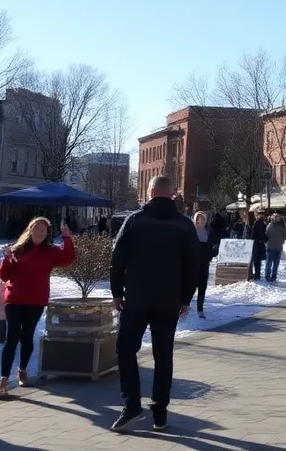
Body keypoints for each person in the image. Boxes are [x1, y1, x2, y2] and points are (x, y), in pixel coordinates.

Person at [110, 176, 201, 432]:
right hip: (168, 300)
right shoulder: (184, 225)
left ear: (150, 192)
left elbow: (118, 258)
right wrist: (185, 298)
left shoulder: (135, 220)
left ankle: (132, 404)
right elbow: (193, 265)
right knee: (163, 354)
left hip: (136, 298)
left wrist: (117, 292)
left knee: (126, 349)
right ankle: (160, 410)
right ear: (173, 194)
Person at [0, 217, 76, 398]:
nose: (41, 233)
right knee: (11, 337)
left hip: (36, 300)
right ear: (30, 230)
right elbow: (4, 276)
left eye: (44, 231)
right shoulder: (17, 250)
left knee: (27, 335)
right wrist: (6, 259)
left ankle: (22, 369)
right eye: (38, 229)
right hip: (14, 299)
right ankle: (3, 380)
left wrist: (67, 238)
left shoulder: (49, 251)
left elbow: (68, 259)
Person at [193, 212, 217, 317]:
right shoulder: (192, 231)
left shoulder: (208, 232)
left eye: (203, 218)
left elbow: (210, 247)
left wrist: (213, 251)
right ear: (196, 220)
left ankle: (200, 308)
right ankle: (184, 306)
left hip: (205, 262)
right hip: (194, 263)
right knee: (191, 286)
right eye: (200, 218)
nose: (202, 220)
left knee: (203, 285)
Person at [264, 213, 286, 282]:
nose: (275, 219)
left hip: (277, 248)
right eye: (274, 217)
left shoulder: (281, 227)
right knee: (269, 264)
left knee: (274, 264)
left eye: (277, 217)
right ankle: (268, 276)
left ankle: (273, 277)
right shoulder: (270, 226)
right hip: (271, 247)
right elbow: (266, 235)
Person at [249, 209, 268, 281]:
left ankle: (257, 275)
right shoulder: (263, 223)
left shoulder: (258, 223)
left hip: (256, 244)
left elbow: (253, 235)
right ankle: (257, 274)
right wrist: (264, 240)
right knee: (257, 260)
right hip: (259, 243)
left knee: (256, 260)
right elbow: (265, 235)